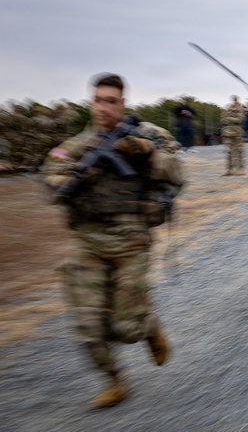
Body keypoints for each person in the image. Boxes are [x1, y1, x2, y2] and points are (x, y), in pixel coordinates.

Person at [41, 73, 183, 408]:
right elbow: (50, 177)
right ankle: (114, 381)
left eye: (110, 101)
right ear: (90, 102)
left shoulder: (147, 135)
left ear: (123, 103)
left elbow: (176, 172)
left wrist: (148, 154)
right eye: (97, 100)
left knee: (126, 328)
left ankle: (148, 327)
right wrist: (74, 179)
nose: (103, 107)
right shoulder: (76, 147)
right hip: (88, 243)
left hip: (131, 240)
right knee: (88, 325)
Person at [220, 95, 245, 176]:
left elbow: (240, 119)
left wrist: (229, 118)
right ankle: (229, 170)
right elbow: (223, 119)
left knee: (239, 151)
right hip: (228, 132)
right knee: (228, 151)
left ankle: (240, 169)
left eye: (236, 100)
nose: (235, 101)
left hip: (237, 132)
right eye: (234, 100)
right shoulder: (228, 108)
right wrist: (230, 119)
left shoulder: (240, 109)